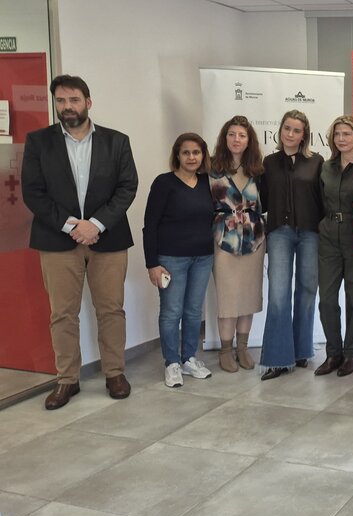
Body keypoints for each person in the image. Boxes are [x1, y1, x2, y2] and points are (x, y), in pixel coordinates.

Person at [21, 75, 138, 410]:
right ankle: (67, 380)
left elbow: (127, 187)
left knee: (111, 310)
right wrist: (72, 225)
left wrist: (96, 224)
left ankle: (114, 373)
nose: (67, 107)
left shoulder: (116, 142)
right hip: (58, 240)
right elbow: (33, 192)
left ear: (88, 102)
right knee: (63, 314)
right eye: (60, 101)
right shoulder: (39, 142)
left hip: (108, 238)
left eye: (73, 100)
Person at [143, 133, 215, 387]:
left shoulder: (208, 183)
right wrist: (152, 263)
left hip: (203, 257)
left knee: (194, 311)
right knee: (172, 311)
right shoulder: (164, 183)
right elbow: (149, 225)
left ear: (203, 155)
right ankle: (172, 363)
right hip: (171, 259)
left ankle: (188, 359)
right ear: (177, 155)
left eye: (196, 152)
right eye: (186, 152)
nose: (192, 157)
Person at [258, 110, 324, 380]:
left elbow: (322, 198)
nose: (291, 134)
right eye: (287, 128)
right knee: (278, 294)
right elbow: (261, 198)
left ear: (304, 134)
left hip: (310, 233)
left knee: (307, 292)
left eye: (297, 130)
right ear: (280, 130)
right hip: (280, 233)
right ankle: (276, 358)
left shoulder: (317, 162)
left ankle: (300, 351)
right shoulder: (269, 162)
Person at [315, 115, 353, 378]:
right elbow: (318, 201)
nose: (341, 139)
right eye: (337, 134)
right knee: (327, 300)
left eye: (346, 134)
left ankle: (350, 353)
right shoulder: (326, 168)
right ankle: (333, 352)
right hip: (328, 236)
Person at [209, 115, 266, 373]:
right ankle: (225, 350)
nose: (236, 139)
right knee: (228, 296)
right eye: (232, 134)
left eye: (242, 135)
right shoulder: (211, 168)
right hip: (224, 239)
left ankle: (242, 348)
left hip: (254, 240)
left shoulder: (259, 170)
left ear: (249, 140)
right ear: (225, 137)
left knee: (248, 293)